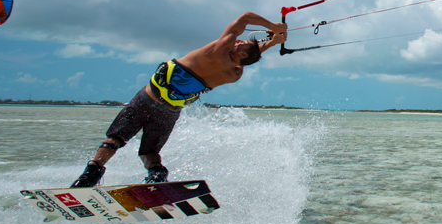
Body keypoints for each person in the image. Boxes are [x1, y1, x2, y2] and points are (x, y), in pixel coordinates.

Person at [70, 12, 287, 187]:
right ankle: (156, 177)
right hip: (170, 111)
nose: (238, 40)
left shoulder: (220, 48)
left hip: (148, 98)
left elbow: (245, 17)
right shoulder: (235, 74)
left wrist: (273, 26)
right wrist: (273, 42)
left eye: (242, 44)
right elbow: (247, 57)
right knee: (150, 152)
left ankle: (90, 174)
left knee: (116, 138)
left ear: (240, 54)